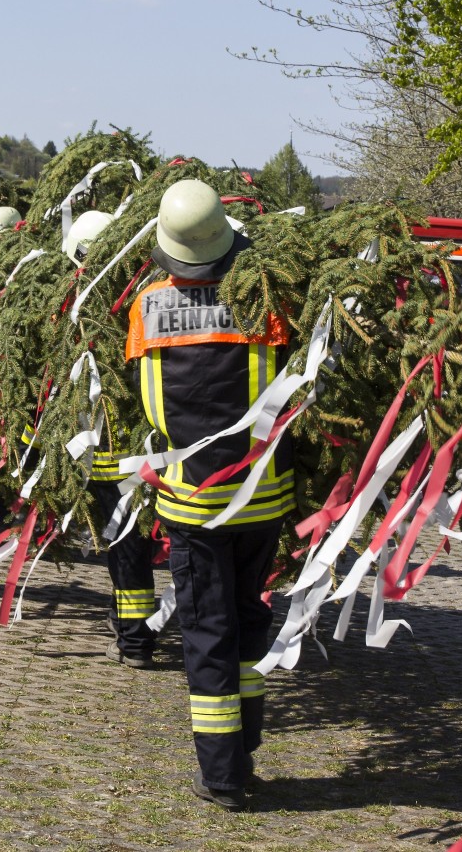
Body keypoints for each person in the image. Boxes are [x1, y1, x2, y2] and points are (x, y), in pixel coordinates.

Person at [124, 179, 295, 811]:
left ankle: (222, 776)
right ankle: (244, 752)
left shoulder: (147, 309)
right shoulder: (265, 302)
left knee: (207, 631)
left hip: (192, 502)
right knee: (249, 617)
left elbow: (144, 399)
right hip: (261, 497)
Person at [66, 211, 160, 667]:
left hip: (111, 454)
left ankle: (135, 641)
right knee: (132, 546)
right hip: (153, 449)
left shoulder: (80, 310)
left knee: (127, 551)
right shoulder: (148, 296)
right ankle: (127, 624)